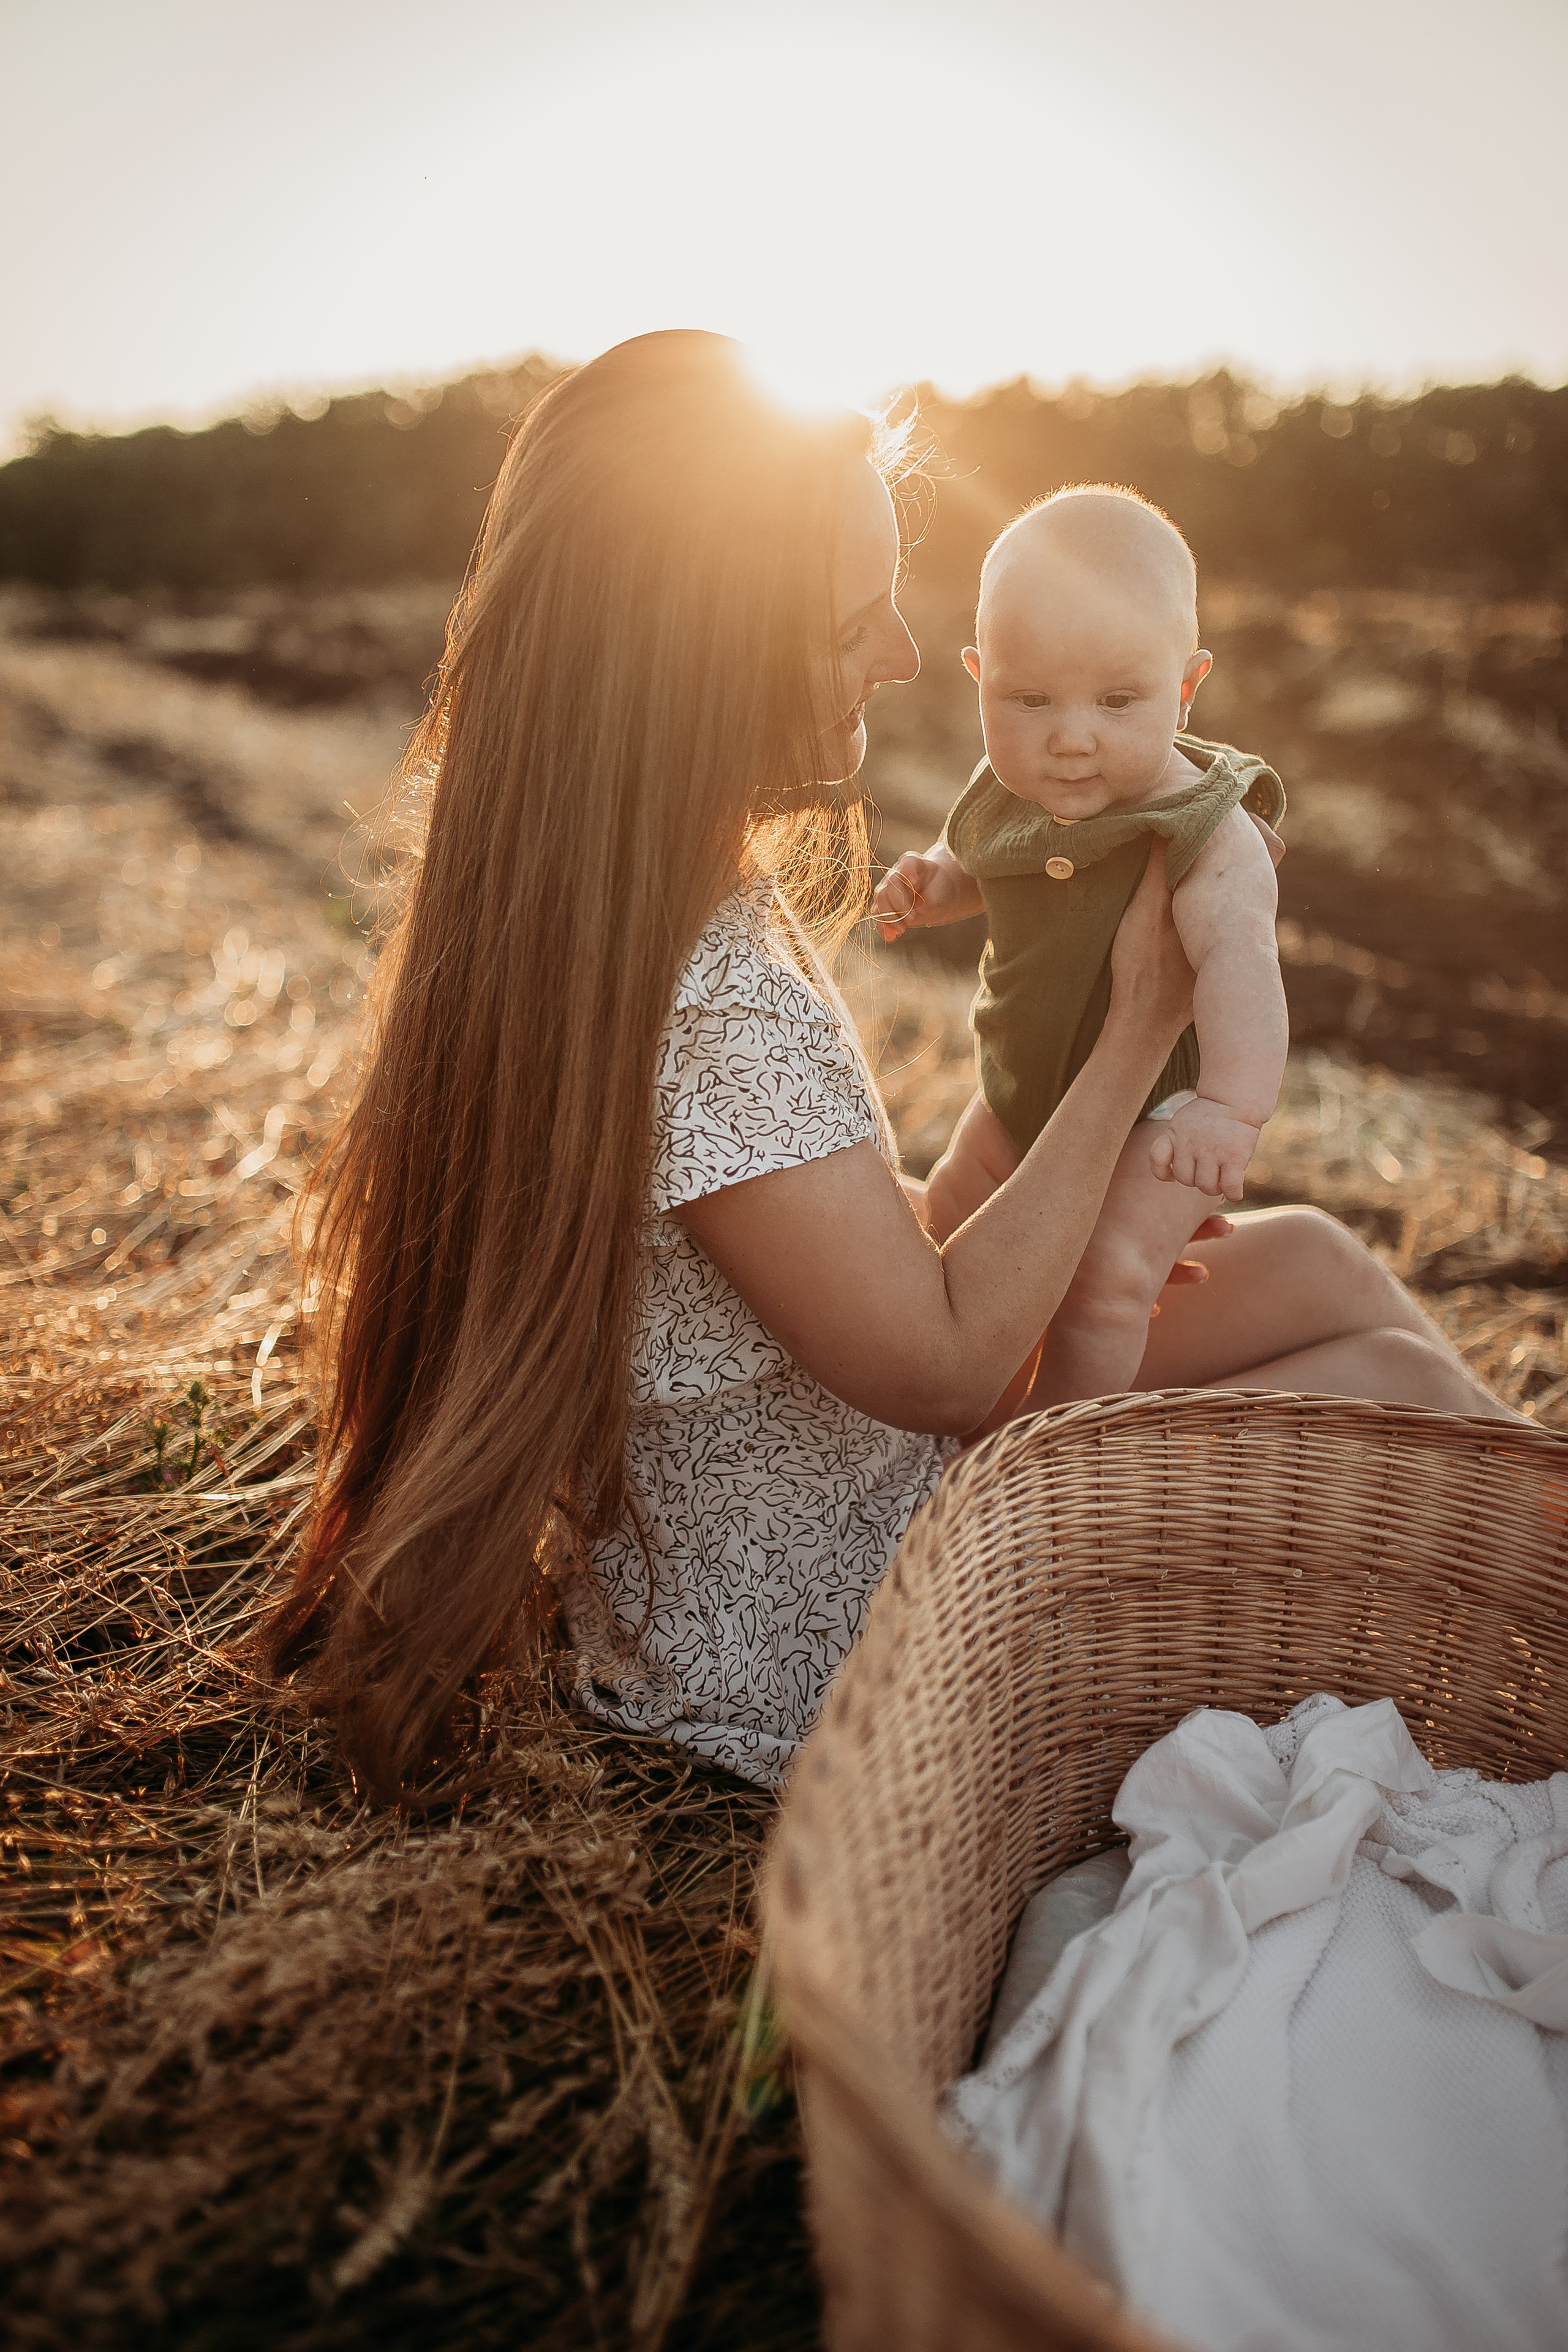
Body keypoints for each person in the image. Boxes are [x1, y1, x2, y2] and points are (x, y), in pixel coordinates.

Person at [258, 331, 1516, 1801]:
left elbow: (840, 1260)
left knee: (1310, 1261)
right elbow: (938, 1359)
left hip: (839, 1481)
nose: (906, 654)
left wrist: (1070, 1217)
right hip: (850, 1623)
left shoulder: (611, 915)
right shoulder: (707, 1000)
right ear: (705, 645)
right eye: (854, 615)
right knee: (1377, 1379)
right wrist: (1131, 1032)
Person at [871, 487, 1290, 1409]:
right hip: (1018, 1101)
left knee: (1103, 1284)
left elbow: (1240, 965)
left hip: (1158, 1120)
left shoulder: (1206, 827)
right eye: (1029, 699)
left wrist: (1228, 1111)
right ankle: (950, 1412)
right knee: (950, 1212)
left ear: (1185, 686)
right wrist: (935, 885)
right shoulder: (1005, 786)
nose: (1069, 738)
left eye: (1117, 700)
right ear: (980, 677)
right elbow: (983, 857)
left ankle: (1049, 1446)